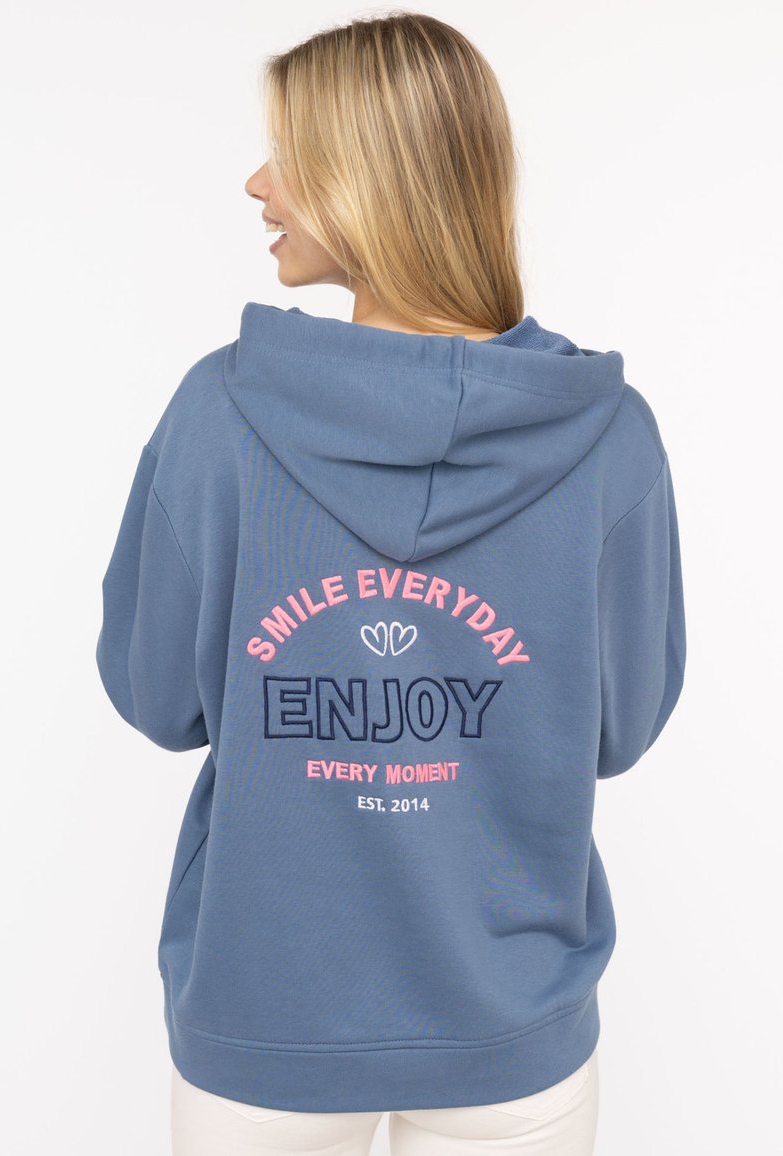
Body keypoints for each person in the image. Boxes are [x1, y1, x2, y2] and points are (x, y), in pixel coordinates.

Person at [94, 11, 686, 1155]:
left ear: (371, 179)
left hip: (265, 1018)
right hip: (508, 1026)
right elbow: (616, 729)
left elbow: (155, 696)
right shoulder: (609, 438)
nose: (256, 182)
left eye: (291, 155)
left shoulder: (220, 415)